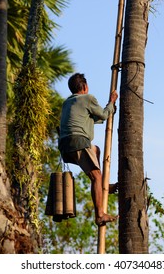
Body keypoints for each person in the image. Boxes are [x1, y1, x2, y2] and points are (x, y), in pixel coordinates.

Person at [58, 73, 118, 226]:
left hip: (65, 146)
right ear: (85, 87)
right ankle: (99, 215)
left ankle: (105, 185)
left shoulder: (67, 103)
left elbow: (87, 119)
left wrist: (107, 110)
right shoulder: (88, 98)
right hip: (78, 141)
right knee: (95, 176)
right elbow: (103, 116)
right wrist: (111, 103)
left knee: (95, 150)